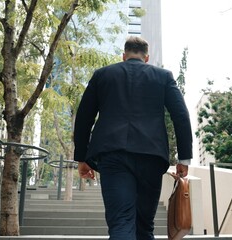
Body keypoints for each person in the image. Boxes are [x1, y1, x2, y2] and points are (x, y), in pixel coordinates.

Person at [74, 36, 192, 240]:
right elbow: (181, 116)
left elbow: (84, 117)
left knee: (121, 222)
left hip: (113, 155)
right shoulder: (163, 76)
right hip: (152, 157)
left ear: (123, 55)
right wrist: (184, 159)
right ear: (146, 57)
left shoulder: (102, 75)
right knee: (145, 226)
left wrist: (82, 157)